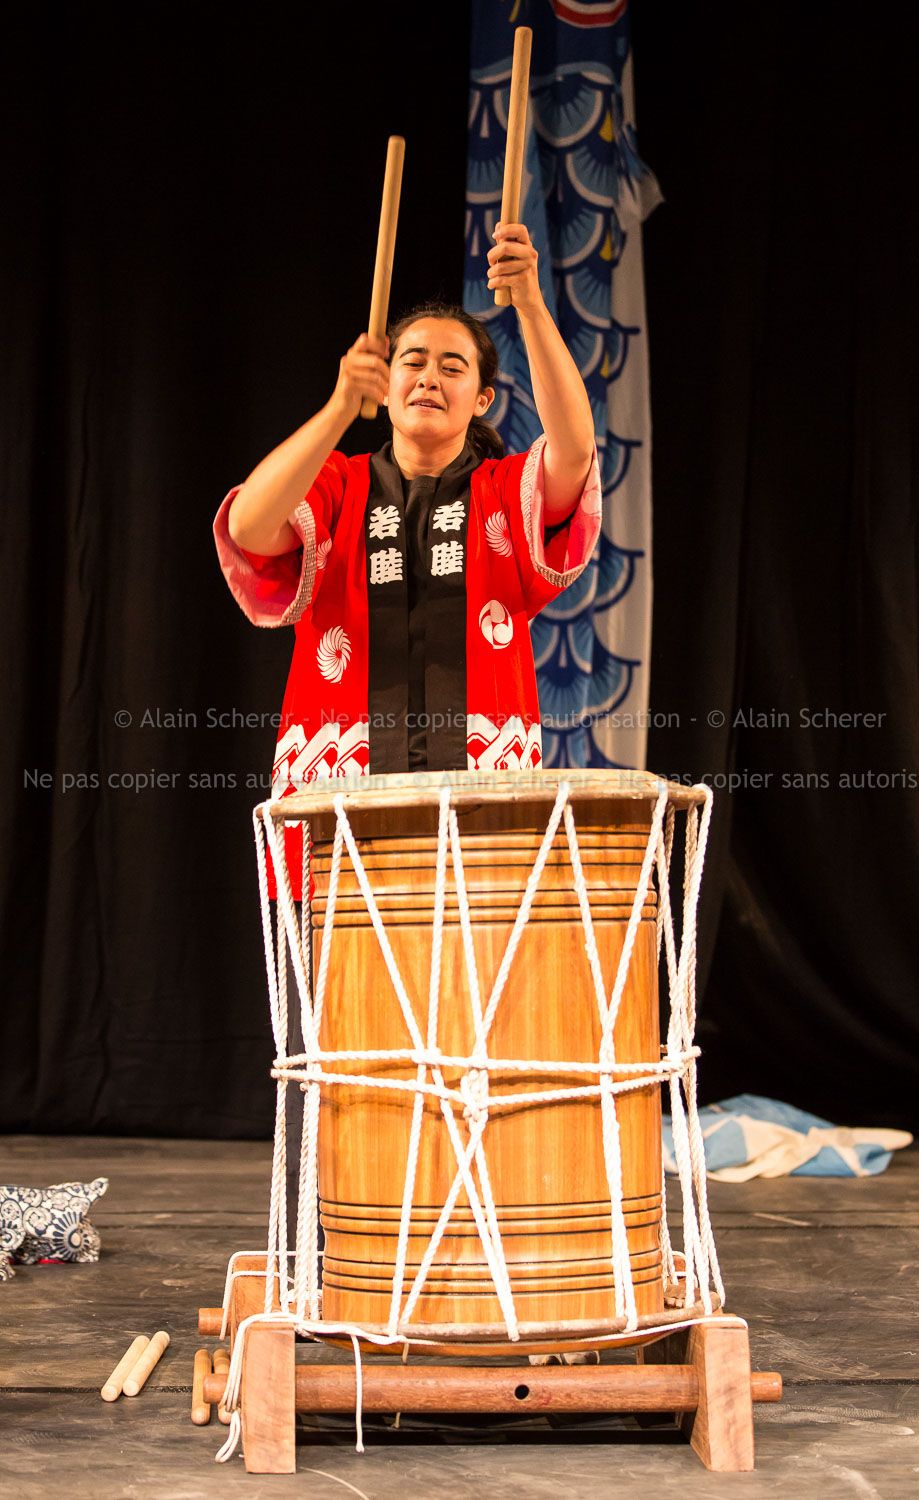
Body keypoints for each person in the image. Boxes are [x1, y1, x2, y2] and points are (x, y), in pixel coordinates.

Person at [212, 222, 603, 1278]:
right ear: (386, 384)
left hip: (480, 813)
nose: (429, 376)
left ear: (484, 397)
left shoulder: (507, 493)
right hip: (335, 818)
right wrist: (337, 408)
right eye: (412, 360)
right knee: (332, 1048)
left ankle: (478, 1266)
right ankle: (328, 1261)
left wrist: (528, 306)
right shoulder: (337, 488)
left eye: (453, 366)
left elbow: (574, 454)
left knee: (481, 1043)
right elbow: (251, 528)